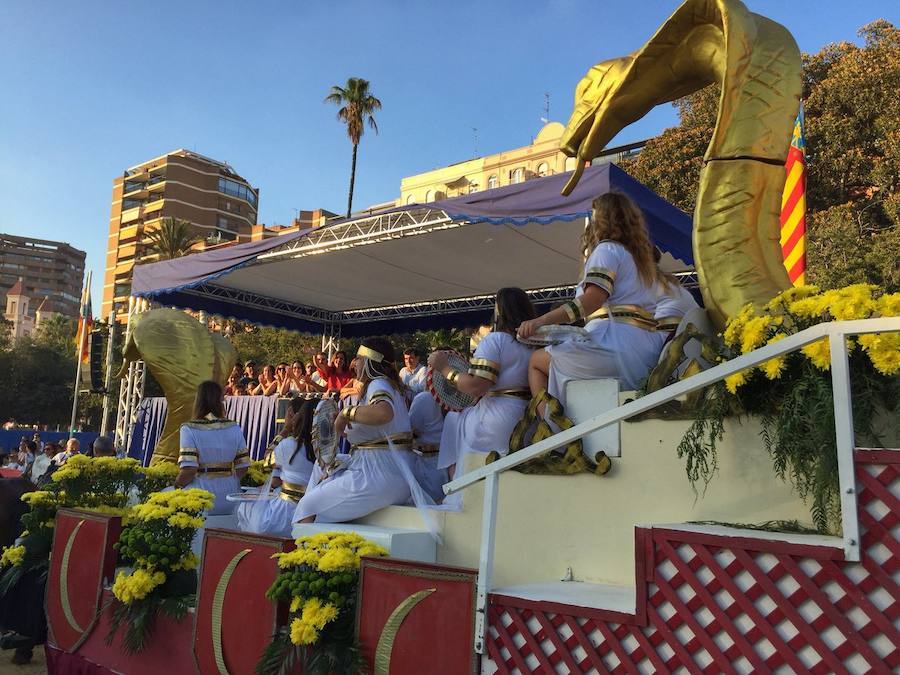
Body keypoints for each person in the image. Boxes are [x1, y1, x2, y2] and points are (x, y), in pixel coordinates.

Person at [518, 192, 670, 408]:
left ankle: (553, 432)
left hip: (615, 345)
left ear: (603, 220)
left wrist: (542, 321)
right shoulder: (642, 261)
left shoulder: (607, 250)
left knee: (536, 362)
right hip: (646, 349)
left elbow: (590, 302)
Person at [295, 338, 414, 523]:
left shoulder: (378, 383)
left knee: (307, 506)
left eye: (358, 358)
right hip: (389, 473)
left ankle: (300, 551)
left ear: (369, 361)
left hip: (377, 474)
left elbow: (383, 413)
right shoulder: (390, 386)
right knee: (323, 472)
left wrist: (346, 413)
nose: (354, 363)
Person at [430, 288, 536, 478]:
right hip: (530, 418)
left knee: (453, 421)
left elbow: (476, 387)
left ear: (500, 311)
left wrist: (445, 369)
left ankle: (457, 488)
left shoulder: (495, 340)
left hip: (497, 419)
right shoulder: (536, 343)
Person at [242, 398, 317, 537]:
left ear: (298, 418)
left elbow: (266, 461)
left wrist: (286, 429)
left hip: (286, 513)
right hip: (316, 513)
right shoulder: (328, 449)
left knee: (245, 507)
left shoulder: (288, 445)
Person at [174, 380, 250, 515]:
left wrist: (177, 486)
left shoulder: (188, 429)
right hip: (230, 499)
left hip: (201, 498)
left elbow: (189, 469)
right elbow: (243, 467)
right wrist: (227, 479)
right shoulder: (234, 427)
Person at [409, 390, 447, 502]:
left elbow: (410, 429)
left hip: (428, 463)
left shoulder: (424, 398)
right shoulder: (457, 401)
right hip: (445, 463)